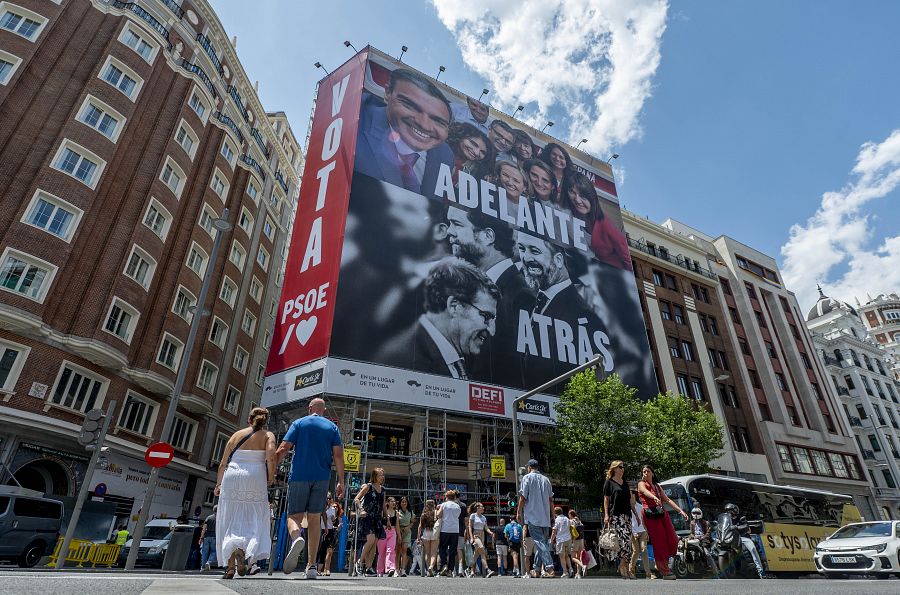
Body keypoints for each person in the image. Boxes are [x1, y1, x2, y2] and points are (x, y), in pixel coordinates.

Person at [444, 204, 534, 387]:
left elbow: (516, 373)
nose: (449, 232)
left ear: (487, 236)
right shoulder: (470, 288)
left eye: (457, 224)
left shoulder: (520, 295)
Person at [377, 257, 500, 380]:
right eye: (486, 316)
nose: (492, 331)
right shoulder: (402, 360)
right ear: (454, 306)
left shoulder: (463, 356)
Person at [515, 231, 611, 386]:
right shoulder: (531, 304)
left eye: (535, 251)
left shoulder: (584, 317)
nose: (525, 258)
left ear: (558, 260)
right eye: (522, 248)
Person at [355, 68, 454, 197]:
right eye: (411, 106)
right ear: (388, 93)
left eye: (438, 121)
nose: (424, 124)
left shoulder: (445, 155)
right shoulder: (354, 114)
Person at [275, 398, 345, 579]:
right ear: (324, 410)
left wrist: (270, 467)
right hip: (322, 478)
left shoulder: (298, 423)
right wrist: (341, 481)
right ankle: (312, 566)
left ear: (309, 408)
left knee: (294, 516)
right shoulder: (332, 427)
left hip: (299, 475)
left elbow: (284, 448)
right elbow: (338, 455)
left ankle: (297, 537)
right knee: (314, 520)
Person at [214, 408, 276, 579]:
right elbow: (271, 456)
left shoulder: (236, 435)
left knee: (230, 519)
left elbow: (222, 463)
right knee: (253, 517)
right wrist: (271, 476)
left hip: (232, 475)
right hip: (255, 475)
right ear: (265, 421)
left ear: (249, 420)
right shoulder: (268, 435)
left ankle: (230, 568)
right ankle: (244, 552)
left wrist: (219, 484)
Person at [561, 171, 632, 270]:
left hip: (611, 275)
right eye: (572, 192)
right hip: (584, 269)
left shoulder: (606, 225)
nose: (577, 200)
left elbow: (627, 259)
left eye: (582, 195)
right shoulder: (568, 212)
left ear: (591, 197)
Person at [637, 464, 688, 580]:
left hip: (661, 513)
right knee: (659, 543)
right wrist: (654, 497)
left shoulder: (657, 486)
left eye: (648, 471)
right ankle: (664, 571)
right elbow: (644, 492)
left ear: (652, 473)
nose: (645, 473)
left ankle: (661, 560)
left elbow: (667, 500)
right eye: (644, 472)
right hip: (650, 514)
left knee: (673, 539)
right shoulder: (641, 483)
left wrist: (680, 511)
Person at [517, 458, 554, 578]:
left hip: (533, 516)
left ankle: (549, 568)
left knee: (541, 543)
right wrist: (553, 515)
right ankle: (537, 569)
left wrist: (519, 512)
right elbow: (550, 499)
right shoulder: (546, 479)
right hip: (545, 517)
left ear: (529, 467)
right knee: (541, 543)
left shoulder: (527, 478)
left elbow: (523, 497)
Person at [602, 460, 634, 579]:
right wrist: (606, 515)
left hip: (627, 516)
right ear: (614, 468)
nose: (622, 469)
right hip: (615, 516)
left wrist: (635, 513)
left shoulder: (625, 483)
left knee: (628, 542)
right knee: (621, 542)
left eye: (623, 467)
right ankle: (622, 566)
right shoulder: (609, 483)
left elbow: (630, 500)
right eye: (620, 467)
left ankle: (623, 566)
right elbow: (606, 499)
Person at [354, 468, 387, 577]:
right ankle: (359, 562)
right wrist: (361, 509)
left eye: (383, 475)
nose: (382, 477)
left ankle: (368, 568)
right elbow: (356, 499)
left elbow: (383, 506)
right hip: (367, 517)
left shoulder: (383, 490)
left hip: (377, 519)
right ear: (374, 476)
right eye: (380, 475)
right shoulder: (368, 487)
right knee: (371, 540)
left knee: (374, 544)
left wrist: (387, 519)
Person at [725, 503, 769, 579]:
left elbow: (746, 526)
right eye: (727, 511)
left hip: (743, 537)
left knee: (753, 549)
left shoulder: (741, 518)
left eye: (730, 511)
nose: (729, 513)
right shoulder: (726, 519)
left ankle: (761, 571)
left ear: (734, 510)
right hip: (731, 537)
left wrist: (736, 527)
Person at [436, 489, 461, 576]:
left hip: (445, 530)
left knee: (442, 548)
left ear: (446, 497)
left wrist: (438, 509)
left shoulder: (444, 505)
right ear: (454, 497)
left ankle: (444, 565)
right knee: (453, 551)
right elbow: (457, 516)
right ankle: (450, 570)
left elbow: (438, 515)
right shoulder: (457, 506)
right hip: (455, 530)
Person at [630, 489, 654, 579]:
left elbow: (644, 520)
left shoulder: (640, 507)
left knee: (644, 550)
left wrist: (647, 531)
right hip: (633, 532)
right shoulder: (626, 508)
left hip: (642, 531)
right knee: (636, 552)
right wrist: (632, 532)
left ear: (634, 496)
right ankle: (631, 570)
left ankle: (648, 573)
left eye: (631, 495)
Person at [467, 502, 496, 578]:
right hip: (475, 535)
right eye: (482, 507)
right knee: (482, 551)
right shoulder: (473, 516)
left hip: (482, 535)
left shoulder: (484, 517)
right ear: (477, 508)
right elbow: (470, 527)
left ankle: (471, 570)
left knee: (476, 554)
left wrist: (490, 532)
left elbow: (486, 527)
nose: (483, 508)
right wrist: (471, 537)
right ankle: (487, 570)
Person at [687, 506, 715, 571]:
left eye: (697, 513)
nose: (696, 515)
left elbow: (708, 533)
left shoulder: (705, 522)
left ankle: (714, 570)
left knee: (707, 554)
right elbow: (691, 533)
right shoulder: (692, 522)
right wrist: (693, 537)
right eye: (694, 513)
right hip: (695, 540)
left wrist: (702, 537)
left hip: (704, 540)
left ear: (701, 513)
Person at [377, 496, 399, 577]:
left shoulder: (396, 513)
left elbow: (397, 525)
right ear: (388, 503)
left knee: (391, 550)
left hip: (392, 532)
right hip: (383, 532)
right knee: (381, 552)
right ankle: (380, 570)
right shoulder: (383, 512)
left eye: (394, 501)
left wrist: (399, 536)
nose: (394, 503)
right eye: (392, 501)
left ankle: (391, 568)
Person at [549, 506, 572, 579]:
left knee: (562, 557)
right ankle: (571, 568)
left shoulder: (557, 520)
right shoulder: (567, 519)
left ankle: (565, 572)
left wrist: (551, 540)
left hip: (561, 540)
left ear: (555, 513)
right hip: (568, 539)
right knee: (567, 556)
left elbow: (554, 531)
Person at [417, 499, 439, 576]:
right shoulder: (436, 513)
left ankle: (428, 570)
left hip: (426, 532)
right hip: (434, 532)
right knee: (434, 553)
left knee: (427, 553)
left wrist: (418, 537)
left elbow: (420, 526)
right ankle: (431, 567)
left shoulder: (424, 514)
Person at [322, 500, 341, 576]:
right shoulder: (328, 512)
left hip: (333, 534)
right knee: (322, 551)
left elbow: (338, 529)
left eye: (336, 507)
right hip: (326, 531)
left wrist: (338, 527)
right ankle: (322, 568)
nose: (335, 508)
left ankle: (327, 569)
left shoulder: (338, 518)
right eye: (334, 506)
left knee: (330, 552)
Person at [396, 496, 414, 576]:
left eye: (405, 502)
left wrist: (409, 527)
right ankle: (396, 569)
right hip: (398, 531)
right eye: (402, 502)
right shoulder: (397, 512)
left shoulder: (410, 512)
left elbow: (412, 522)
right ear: (400, 503)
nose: (404, 503)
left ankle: (403, 569)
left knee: (404, 550)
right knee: (398, 551)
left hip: (407, 532)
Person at [567, 509, 586, 578]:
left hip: (574, 540)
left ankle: (582, 566)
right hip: (581, 540)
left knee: (573, 558)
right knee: (578, 557)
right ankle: (578, 574)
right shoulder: (579, 521)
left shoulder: (571, 521)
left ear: (570, 514)